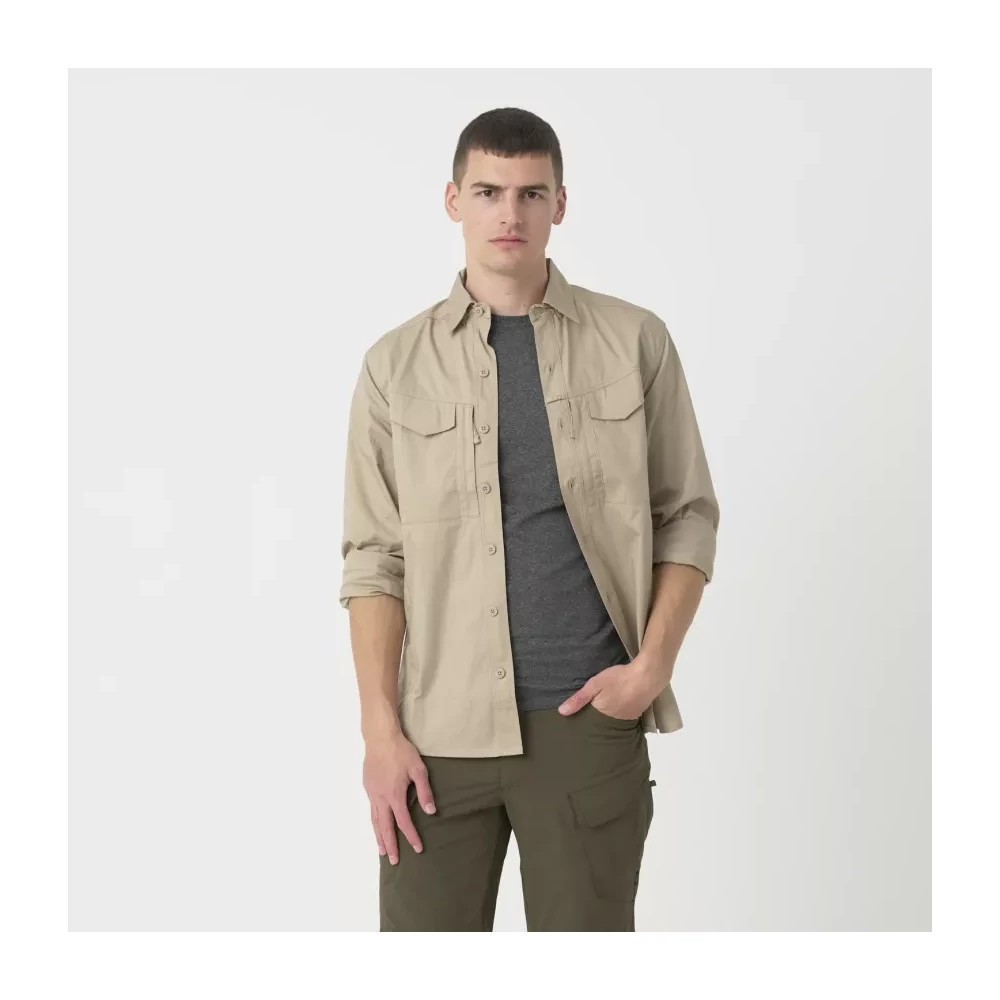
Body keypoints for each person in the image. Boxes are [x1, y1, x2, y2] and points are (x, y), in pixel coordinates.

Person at [339, 107, 720, 931]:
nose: (508, 213)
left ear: (560, 204)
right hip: (435, 739)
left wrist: (651, 669)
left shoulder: (635, 342)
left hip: (586, 725)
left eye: (530, 193)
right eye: (487, 191)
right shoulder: (394, 366)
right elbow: (374, 559)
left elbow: (687, 515)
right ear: (453, 200)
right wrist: (380, 732)